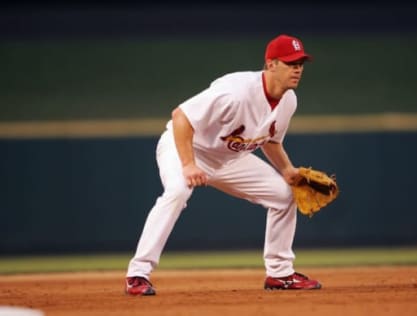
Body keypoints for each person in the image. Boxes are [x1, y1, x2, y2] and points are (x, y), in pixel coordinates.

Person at [125, 34, 321, 295]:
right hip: (185, 146)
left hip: (228, 159)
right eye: (290, 63)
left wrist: (287, 170)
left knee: (285, 195)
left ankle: (280, 273)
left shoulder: (288, 101)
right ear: (271, 64)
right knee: (178, 191)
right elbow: (180, 116)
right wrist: (188, 164)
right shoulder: (236, 92)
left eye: (300, 63)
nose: (297, 69)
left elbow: (270, 140)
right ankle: (138, 274)